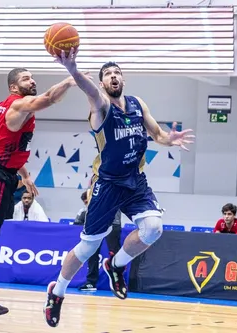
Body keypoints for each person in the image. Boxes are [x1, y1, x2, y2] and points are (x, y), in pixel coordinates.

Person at [43, 50, 195, 327]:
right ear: (102, 84)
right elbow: (88, 89)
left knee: (153, 228)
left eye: (117, 72)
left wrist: (168, 139)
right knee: (88, 246)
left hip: (136, 181)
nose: (113, 76)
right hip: (108, 183)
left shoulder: (138, 104)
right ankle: (58, 292)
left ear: (123, 78)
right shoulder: (100, 106)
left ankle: (115, 265)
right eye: (107, 75)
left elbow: (157, 134)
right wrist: (74, 71)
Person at [0, 67, 79, 333]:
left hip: (5, 173)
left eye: (32, 77)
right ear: (14, 87)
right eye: (26, 78)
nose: (32, 80)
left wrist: (25, 173)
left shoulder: (10, 107)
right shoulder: (19, 105)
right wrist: (71, 79)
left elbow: (7, 144)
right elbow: (48, 100)